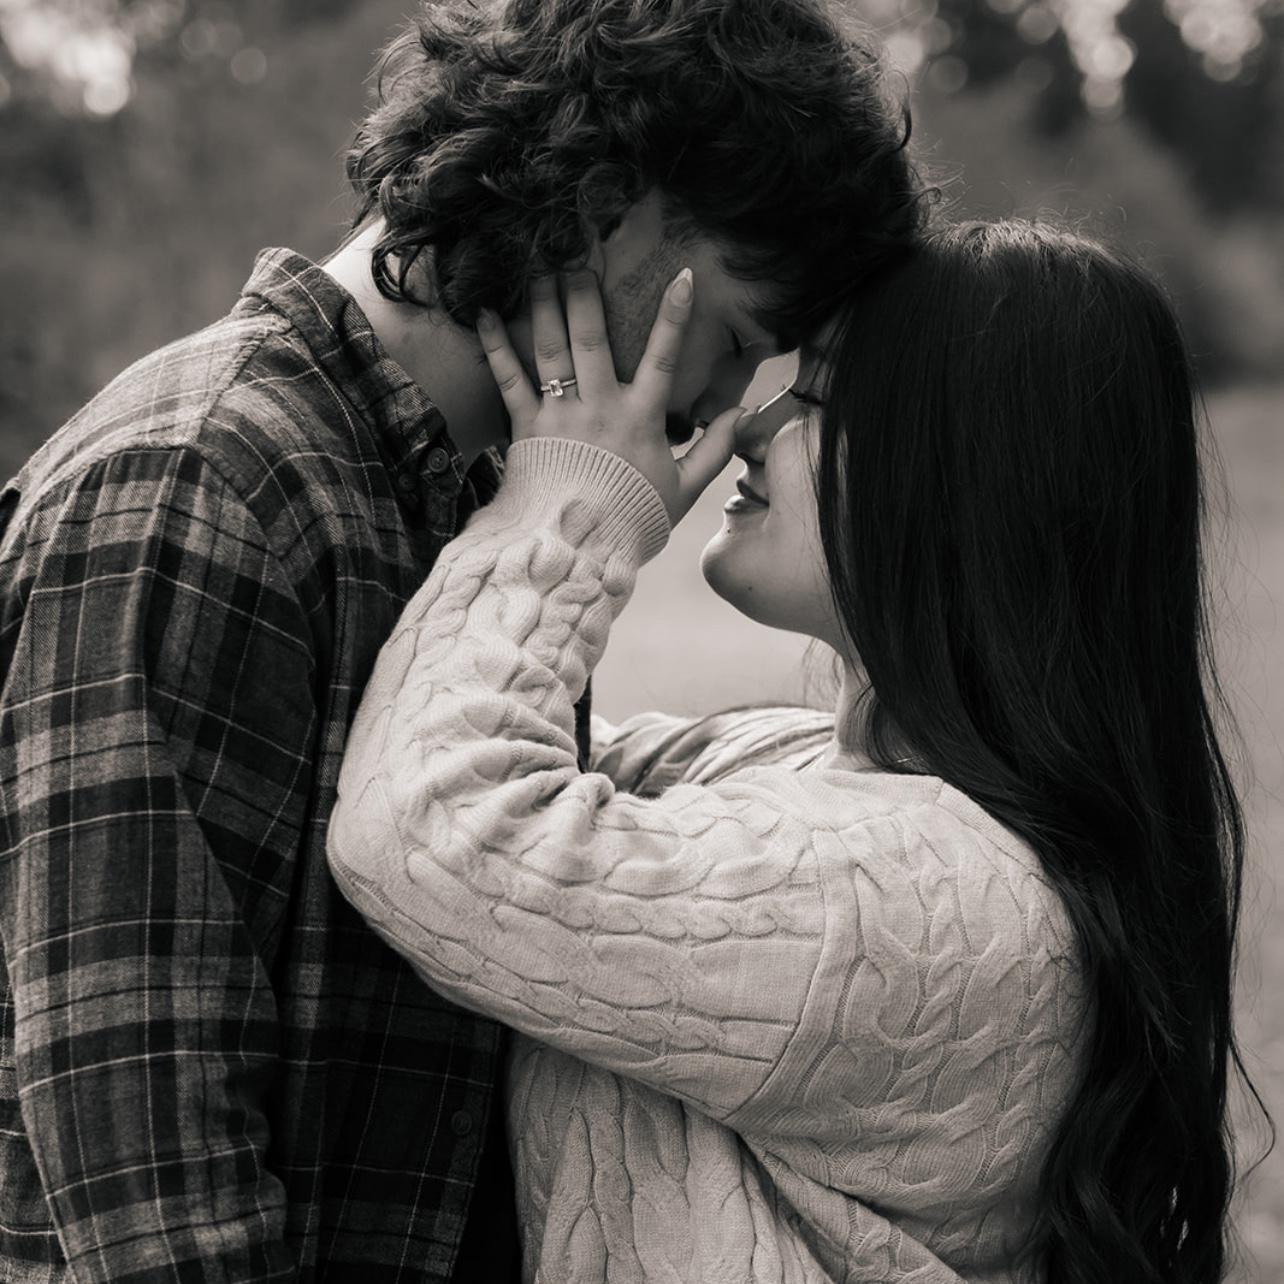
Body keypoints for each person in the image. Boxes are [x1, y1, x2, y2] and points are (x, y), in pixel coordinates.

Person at [0, 1, 925, 1280]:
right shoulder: (203, 483)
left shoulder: (488, 502)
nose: (722, 412)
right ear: (604, 203)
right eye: (732, 341)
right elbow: (151, 1177)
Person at [327, 220, 1263, 1283]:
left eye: (817, 398)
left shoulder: (939, 907)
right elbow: (500, 746)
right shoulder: (815, 775)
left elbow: (435, 828)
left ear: (965, 475)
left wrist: (573, 504)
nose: (751, 425)